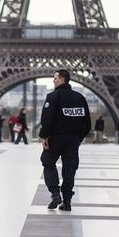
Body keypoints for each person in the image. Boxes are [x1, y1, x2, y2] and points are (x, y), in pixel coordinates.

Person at [39, 69, 91, 211]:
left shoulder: (53, 96)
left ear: (61, 79)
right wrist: (78, 138)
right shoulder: (80, 98)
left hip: (56, 138)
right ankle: (67, 201)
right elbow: (88, 123)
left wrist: (44, 136)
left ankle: (55, 194)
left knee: (48, 162)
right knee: (70, 169)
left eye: (55, 78)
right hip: (73, 139)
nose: (53, 80)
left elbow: (47, 120)